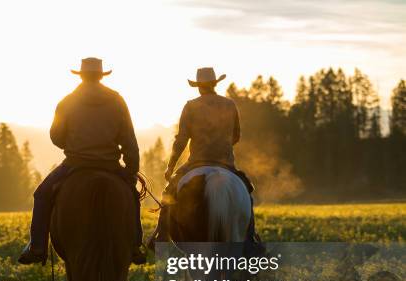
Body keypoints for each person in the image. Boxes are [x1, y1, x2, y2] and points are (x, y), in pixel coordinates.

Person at [18, 57, 146, 265]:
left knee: (41, 195)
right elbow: (129, 138)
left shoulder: (68, 101)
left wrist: (73, 144)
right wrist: (131, 169)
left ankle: (37, 247)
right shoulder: (117, 100)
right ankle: (134, 245)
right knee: (131, 195)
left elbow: (56, 136)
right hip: (110, 164)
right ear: (101, 75)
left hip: (75, 163)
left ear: (82, 74)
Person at [147, 67, 264, 253]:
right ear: (214, 84)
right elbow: (236, 136)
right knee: (246, 192)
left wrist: (171, 166)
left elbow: (181, 140)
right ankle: (250, 237)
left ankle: (161, 235)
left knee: (169, 192)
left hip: (196, 162)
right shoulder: (229, 104)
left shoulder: (191, 106)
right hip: (225, 163)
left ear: (198, 86)